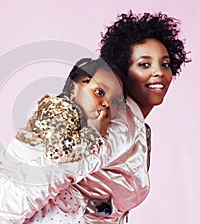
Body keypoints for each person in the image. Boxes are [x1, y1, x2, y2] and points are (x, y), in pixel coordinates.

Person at [24, 11, 190, 224]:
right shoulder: (115, 122)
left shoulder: (137, 126)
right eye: (144, 64)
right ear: (122, 70)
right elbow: (48, 174)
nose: (158, 72)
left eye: (165, 64)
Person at [0, 58, 124, 223]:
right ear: (74, 88)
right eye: (99, 92)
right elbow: (61, 154)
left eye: (114, 101)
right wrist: (96, 132)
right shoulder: (58, 110)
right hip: (9, 178)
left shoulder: (79, 120)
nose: (106, 103)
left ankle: (89, 207)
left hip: (38, 178)